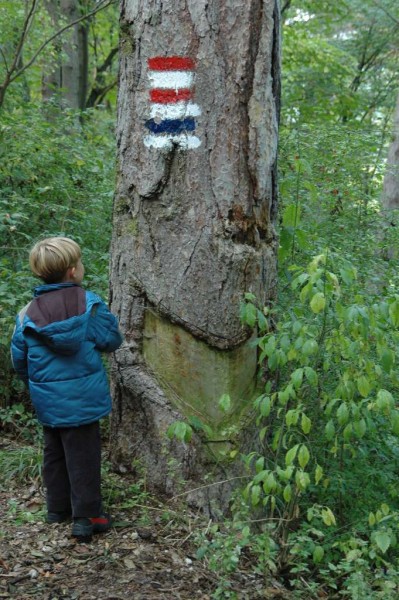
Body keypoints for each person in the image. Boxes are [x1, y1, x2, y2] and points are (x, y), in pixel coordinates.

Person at [10, 237, 123, 543]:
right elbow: (111, 340)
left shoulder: (26, 314)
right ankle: (87, 518)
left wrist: (37, 385)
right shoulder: (90, 304)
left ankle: (56, 509)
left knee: (55, 452)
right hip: (84, 399)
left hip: (48, 399)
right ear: (73, 271)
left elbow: (19, 360)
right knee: (84, 455)